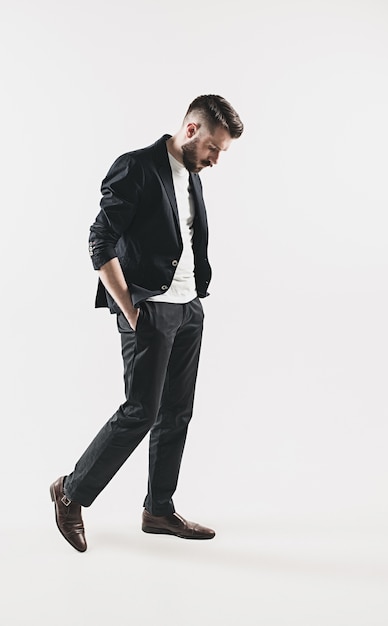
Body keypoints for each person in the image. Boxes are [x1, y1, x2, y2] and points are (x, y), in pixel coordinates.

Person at [50, 94, 244, 552]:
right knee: (141, 411)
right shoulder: (136, 168)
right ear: (192, 130)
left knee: (177, 412)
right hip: (150, 309)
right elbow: (101, 242)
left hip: (188, 307)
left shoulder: (193, 175)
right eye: (214, 148)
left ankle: (158, 509)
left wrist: (193, 297)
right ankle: (70, 491)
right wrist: (131, 308)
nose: (216, 160)